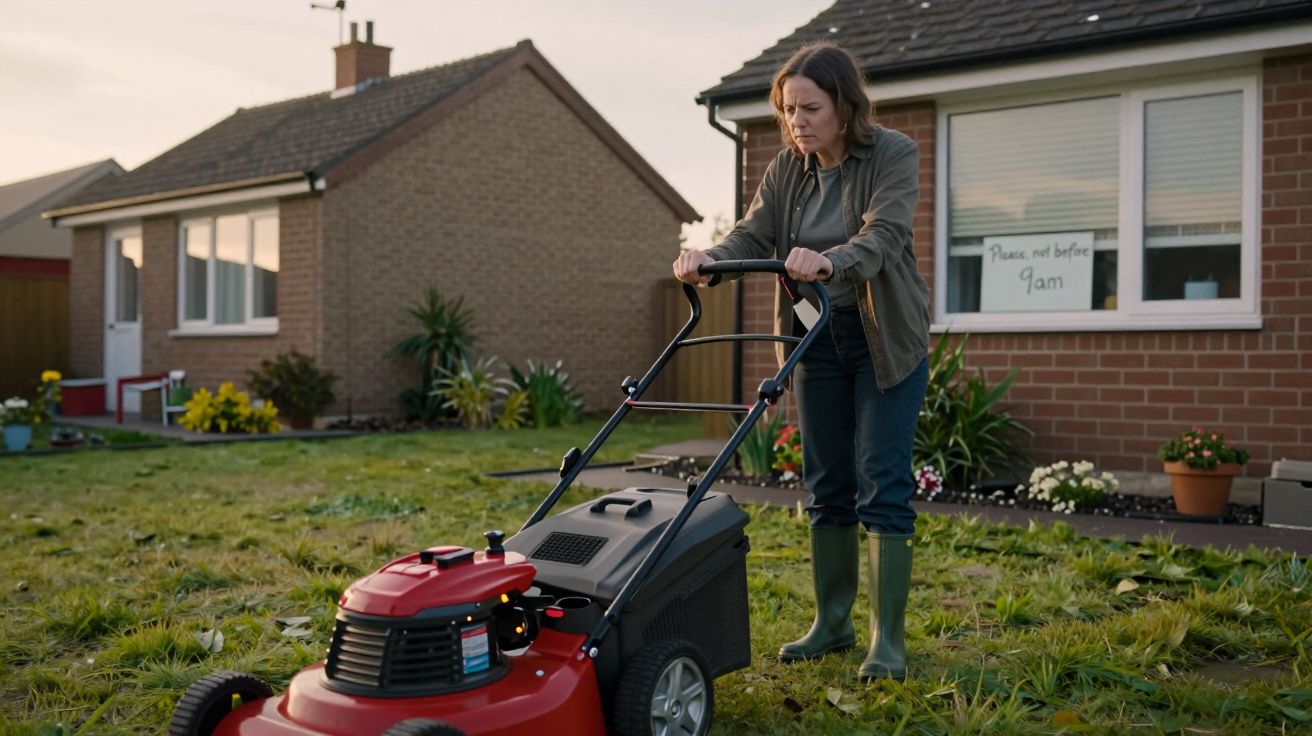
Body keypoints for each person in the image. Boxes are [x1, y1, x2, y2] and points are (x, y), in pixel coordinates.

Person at [673, 42, 930, 682]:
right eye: (789, 110)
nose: (797, 122)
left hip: (883, 340)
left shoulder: (893, 154)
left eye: (809, 108)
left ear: (845, 104)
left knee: (882, 478)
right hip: (815, 338)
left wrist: (832, 259)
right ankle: (833, 622)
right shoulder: (788, 168)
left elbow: (884, 234)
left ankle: (887, 640)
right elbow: (756, 233)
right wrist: (710, 257)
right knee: (826, 479)